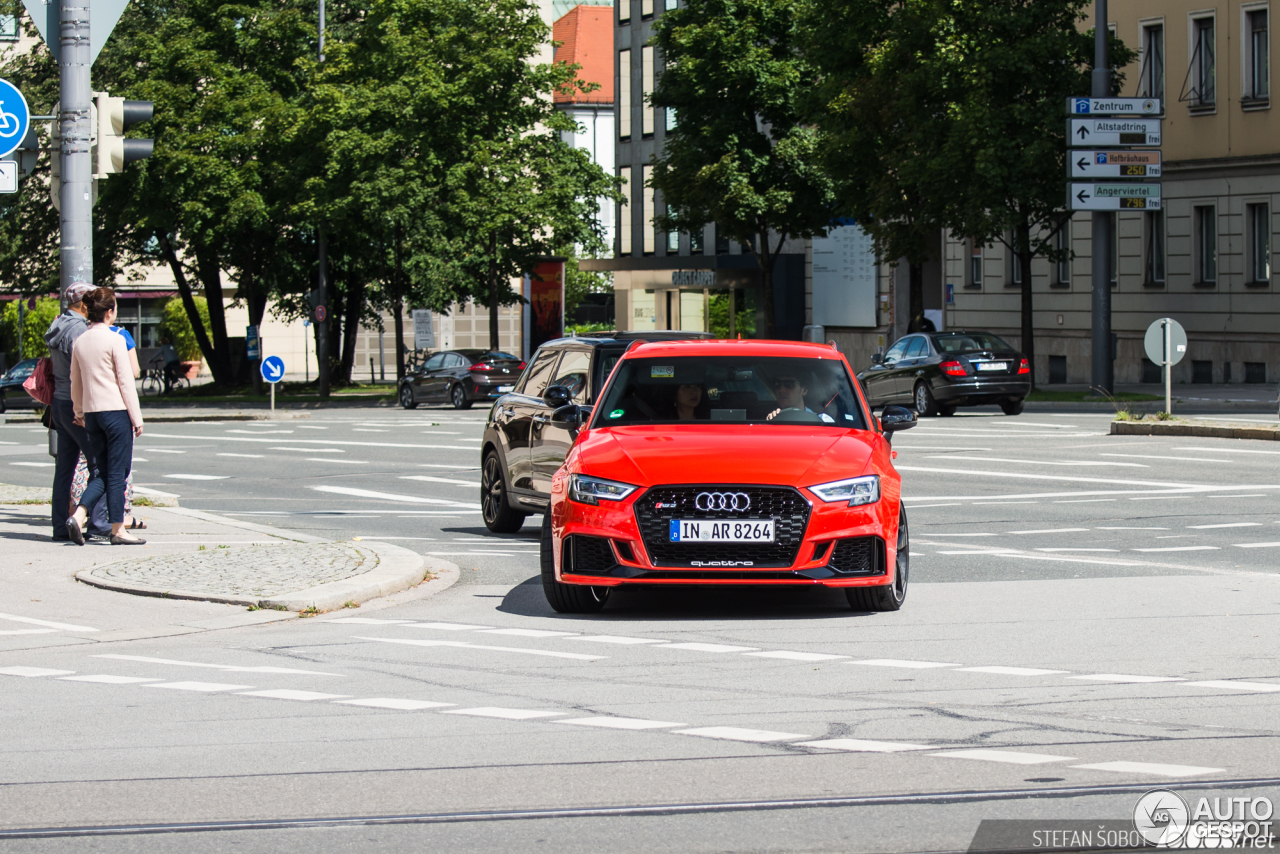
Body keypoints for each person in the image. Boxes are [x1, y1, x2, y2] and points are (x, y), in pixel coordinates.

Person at [66, 288, 146, 546]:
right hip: (116, 412)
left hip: (92, 414)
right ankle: (118, 530)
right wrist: (137, 417)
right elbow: (125, 382)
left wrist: (79, 412)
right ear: (110, 312)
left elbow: (74, 382)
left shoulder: (80, 340)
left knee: (101, 472)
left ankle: (78, 516)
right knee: (117, 473)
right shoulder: (115, 340)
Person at [44, 281, 100, 542]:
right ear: (82, 303)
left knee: (64, 468)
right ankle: (96, 523)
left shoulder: (58, 324)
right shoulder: (79, 329)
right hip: (77, 403)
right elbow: (83, 369)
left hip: (59, 402)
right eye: (90, 300)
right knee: (99, 463)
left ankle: (58, 526)